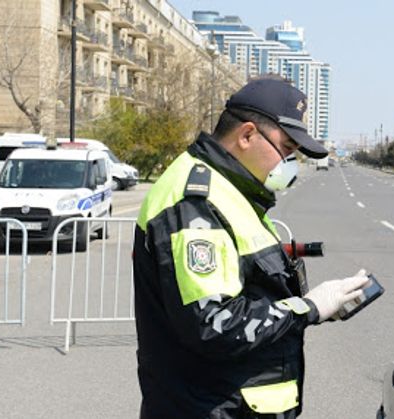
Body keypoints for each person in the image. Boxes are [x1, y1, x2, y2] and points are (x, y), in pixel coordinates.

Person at [133, 77, 370, 418]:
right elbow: (214, 324)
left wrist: (321, 307)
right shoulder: (194, 202)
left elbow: (252, 291)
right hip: (209, 407)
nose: (289, 164)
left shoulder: (233, 191)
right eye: (286, 150)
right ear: (246, 135)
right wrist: (307, 308)